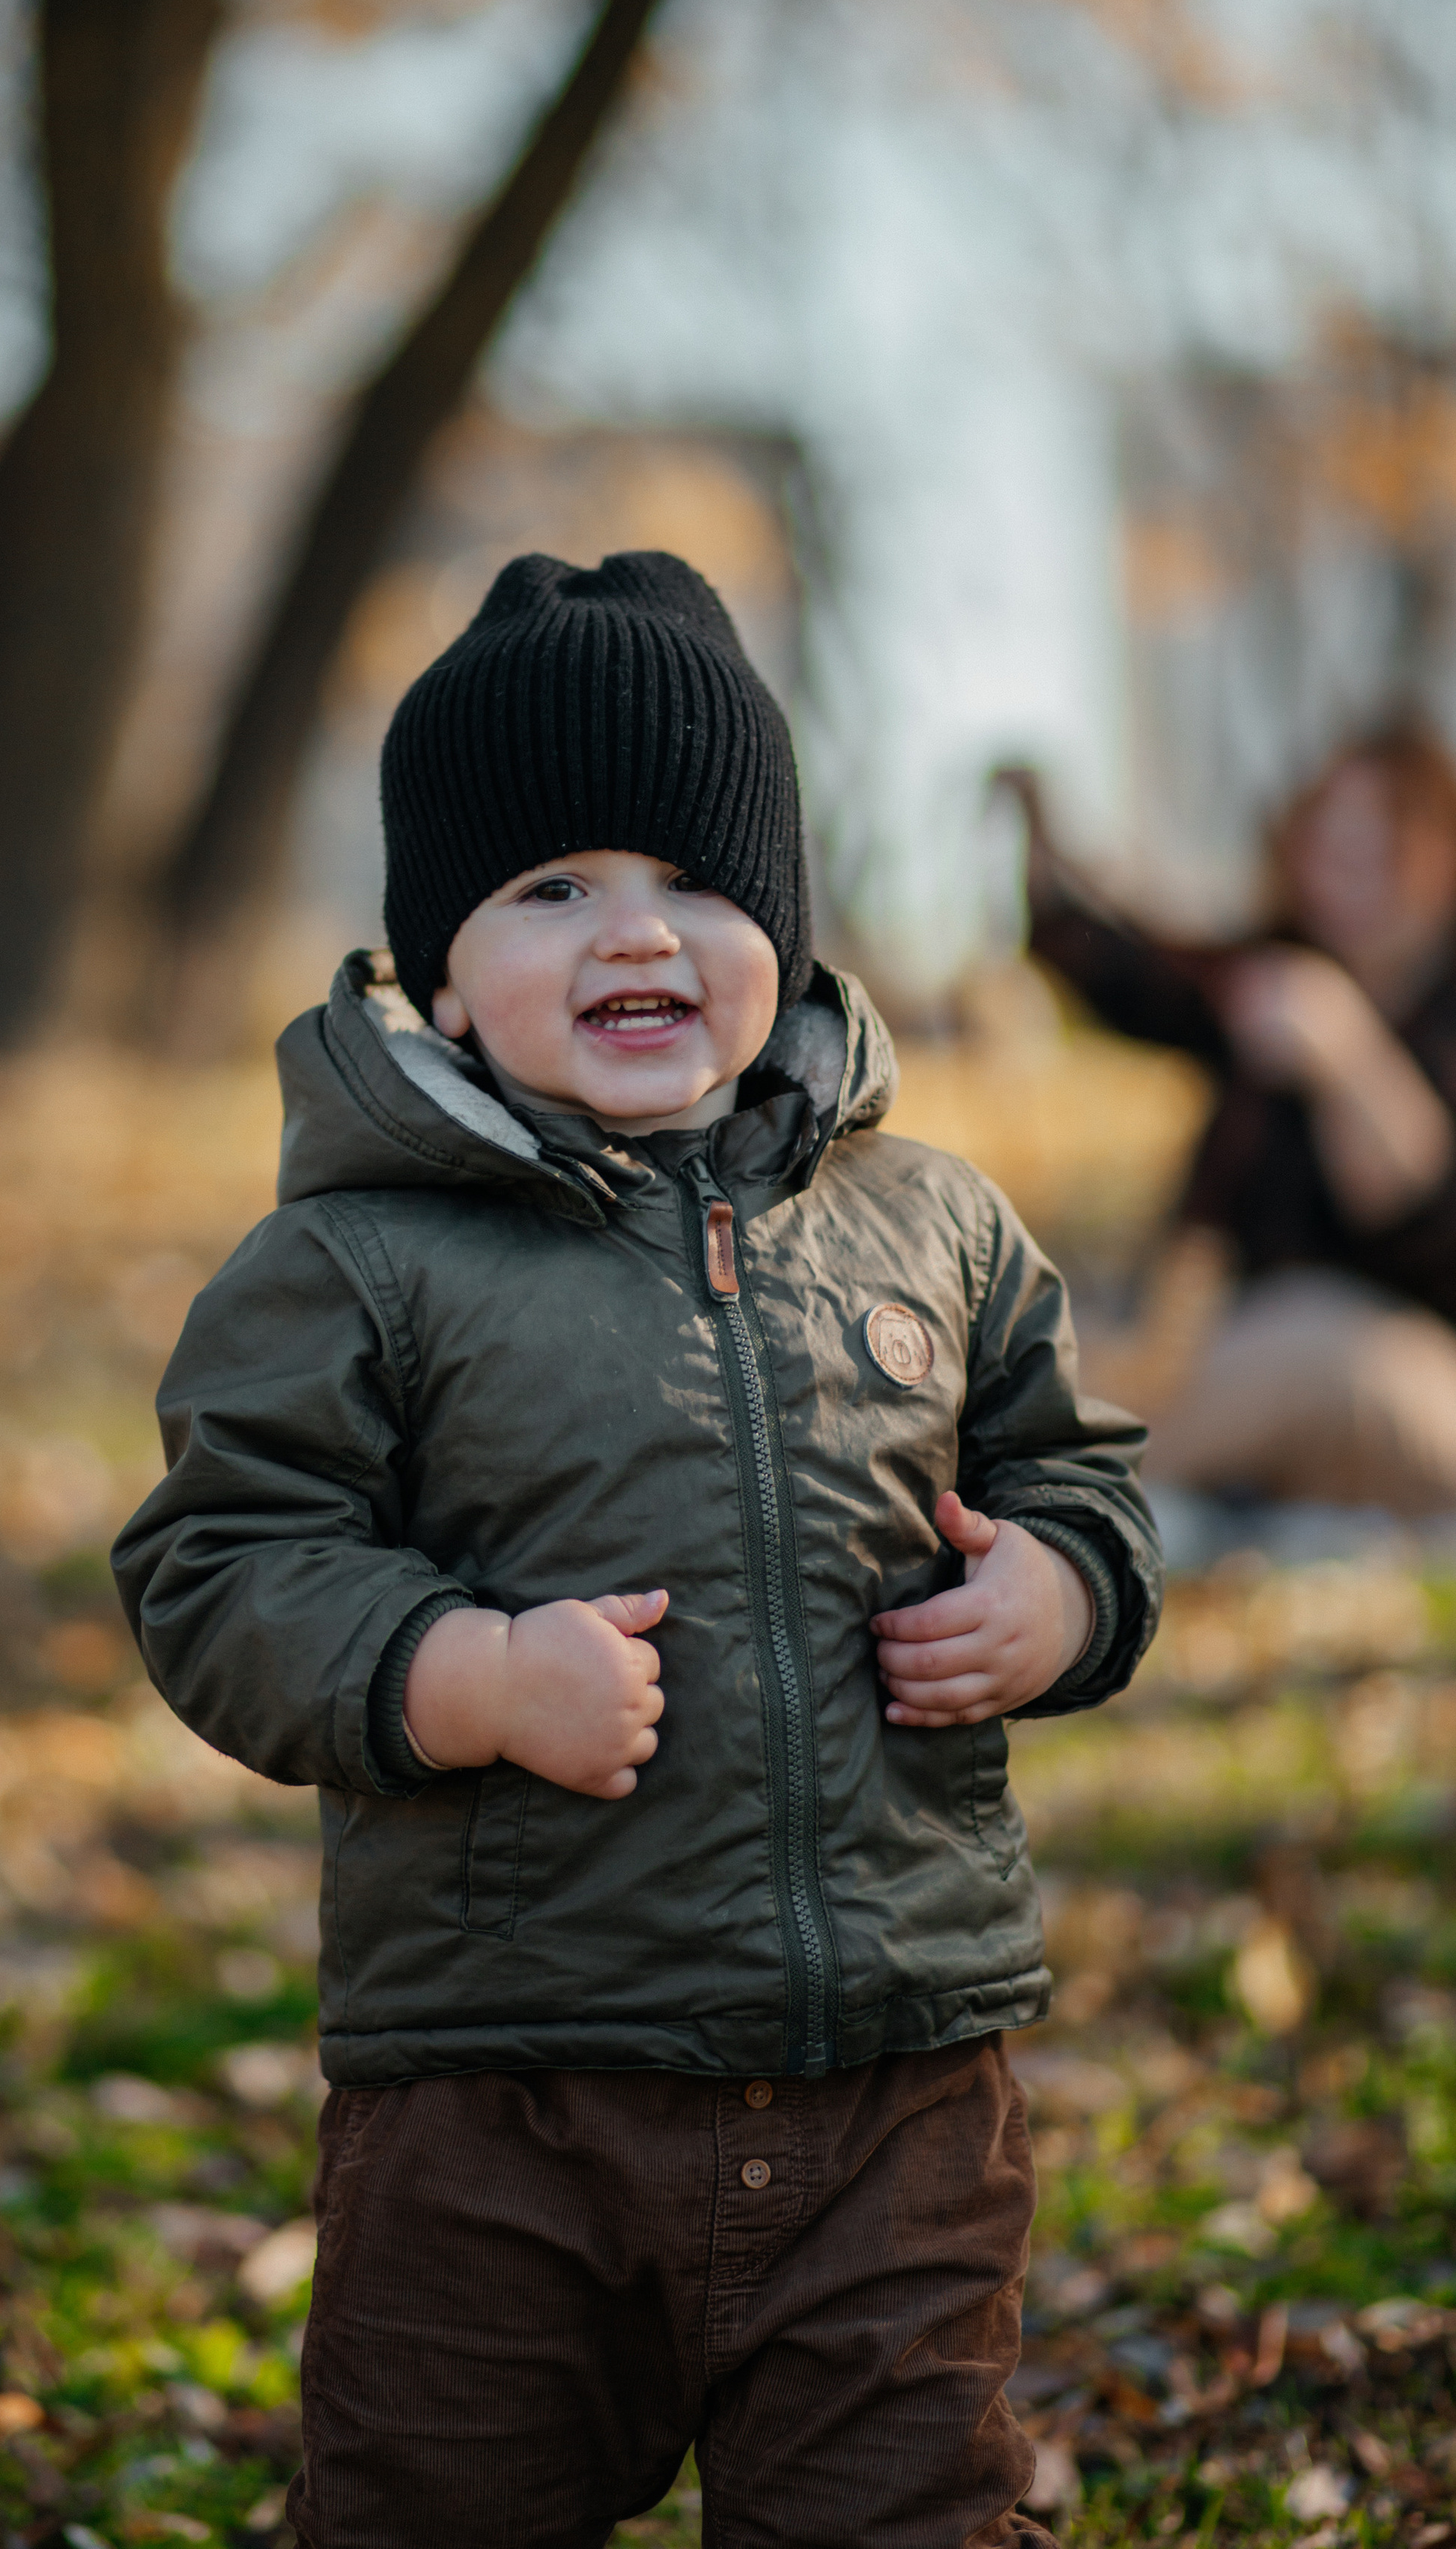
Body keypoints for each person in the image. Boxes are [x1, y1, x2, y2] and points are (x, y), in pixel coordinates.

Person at [115, 551, 1162, 2549]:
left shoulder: (926, 1221)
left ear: (778, 919)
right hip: (499, 2103)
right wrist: (462, 1675)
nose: (638, 935)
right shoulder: (360, 1259)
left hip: (892, 2079)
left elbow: (1075, 1469)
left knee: (907, 2515)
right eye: (550, 890)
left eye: (694, 880)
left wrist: (1058, 1591)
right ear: (436, 968)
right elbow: (220, 1562)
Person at [1023, 728, 1456, 1512]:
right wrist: (1042, 856)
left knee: (1319, 1346)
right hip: (1238, 1341)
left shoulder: (1399, 1005)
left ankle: (1060, 1488)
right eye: (1328, 839)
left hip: (1416, 1377)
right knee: (1054, 1327)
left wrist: (1347, 1058)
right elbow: (1139, 976)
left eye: (1374, 843)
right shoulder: (1289, 962)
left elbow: (1416, 1208)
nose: (1342, 869)